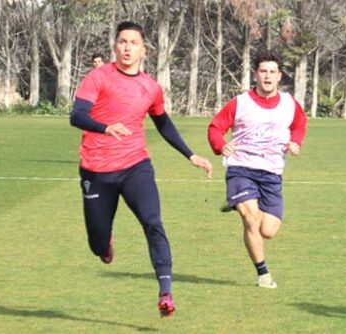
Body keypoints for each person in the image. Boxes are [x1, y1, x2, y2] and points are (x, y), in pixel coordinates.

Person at [69, 21, 213, 318]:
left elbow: (163, 123)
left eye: (133, 42)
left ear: (143, 50)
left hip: (136, 166)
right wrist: (104, 127)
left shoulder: (150, 87)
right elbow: (77, 116)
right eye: (122, 41)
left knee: (153, 221)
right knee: (97, 245)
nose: (127, 47)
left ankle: (166, 291)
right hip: (96, 170)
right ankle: (104, 243)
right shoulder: (98, 77)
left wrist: (191, 155)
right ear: (115, 46)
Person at [207, 51, 307, 289]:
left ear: (279, 76)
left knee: (268, 230)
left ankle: (238, 202)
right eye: (263, 71)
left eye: (272, 72)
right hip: (241, 168)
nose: (267, 76)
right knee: (251, 220)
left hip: (272, 173)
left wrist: (296, 142)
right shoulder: (240, 103)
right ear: (255, 74)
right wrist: (221, 145)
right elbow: (215, 128)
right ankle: (263, 275)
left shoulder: (288, 103)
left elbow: (300, 124)